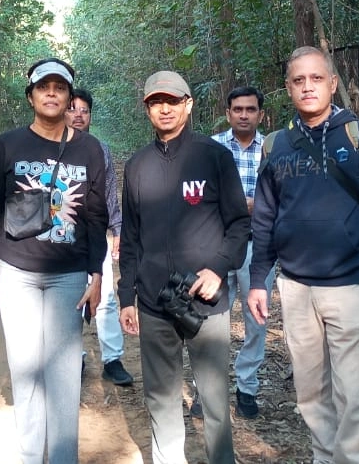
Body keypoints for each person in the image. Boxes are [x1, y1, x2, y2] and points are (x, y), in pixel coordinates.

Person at [247, 47, 359, 464]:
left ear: (333, 83)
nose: (307, 87)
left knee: (355, 394)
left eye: (316, 78)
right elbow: (265, 219)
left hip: (352, 288)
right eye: (298, 80)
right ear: (288, 88)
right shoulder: (276, 145)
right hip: (296, 288)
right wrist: (257, 281)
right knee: (311, 394)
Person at [0, 58, 110, 464]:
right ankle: (30, 456)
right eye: (43, 87)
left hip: (69, 275)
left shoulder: (89, 149)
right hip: (16, 272)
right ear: (31, 96)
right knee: (25, 371)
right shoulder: (9, 145)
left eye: (60, 87)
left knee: (65, 375)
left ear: (70, 97)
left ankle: (64, 457)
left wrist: (97, 274)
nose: (51, 93)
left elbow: (96, 216)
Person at [118, 70, 250, 464]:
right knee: (161, 400)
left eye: (173, 101)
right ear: (147, 109)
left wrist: (218, 269)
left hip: (207, 303)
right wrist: (126, 297)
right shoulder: (137, 166)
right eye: (156, 102)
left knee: (214, 401)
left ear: (188, 105)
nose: (165, 109)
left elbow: (239, 224)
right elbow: (130, 238)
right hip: (154, 303)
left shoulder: (214, 157)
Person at [209, 85, 276, 420]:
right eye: (238, 109)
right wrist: (241, 205)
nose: (244, 115)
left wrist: (255, 207)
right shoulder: (212, 148)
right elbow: (203, 197)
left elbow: (283, 197)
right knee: (211, 321)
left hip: (259, 247)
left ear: (260, 114)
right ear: (228, 113)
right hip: (218, 246)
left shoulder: (273, 149)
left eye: (251, 109)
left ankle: (247, 387)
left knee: (256, 321)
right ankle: (208, 388)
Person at [68, 88, 134, 387]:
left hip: (96, 234)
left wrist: (117, 229)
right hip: (62, 237)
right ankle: (74, 356)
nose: (78, 115)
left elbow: (109, 193)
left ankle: (112, 359)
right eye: (72, 109)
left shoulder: (100, 149)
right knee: (69, 298)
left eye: (84, 110)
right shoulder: (51, 148)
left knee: (105, 296)